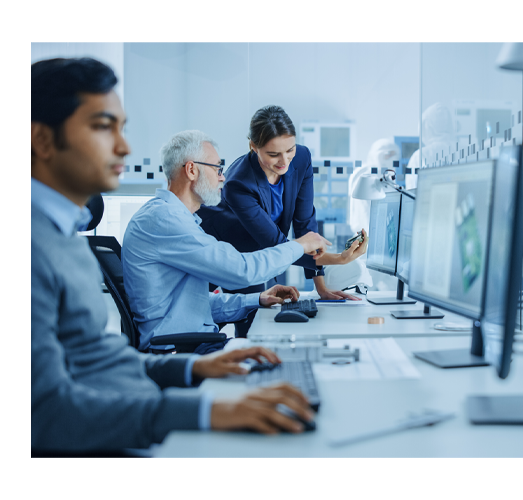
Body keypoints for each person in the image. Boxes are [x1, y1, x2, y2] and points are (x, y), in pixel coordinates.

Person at [31, 57, 316, 454]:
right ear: (42, 140)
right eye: (102, 126)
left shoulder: (63, 235)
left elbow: (99, 360)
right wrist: (201, 410)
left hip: (159, 371)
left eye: (122, 128)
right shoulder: (156, 221)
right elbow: (46, 414)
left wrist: (195, 366)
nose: (124, 146)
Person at [122, 129, 331, 353]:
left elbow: (195, 307)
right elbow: (242, 270)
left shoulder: (180, 219)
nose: (222, 177)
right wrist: (300, 245)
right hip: (179, 352)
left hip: (192, 344)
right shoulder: (163, 219)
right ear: (192, 170)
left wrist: (258, 299)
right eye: (217, 168)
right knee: (287, 357)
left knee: (289, 352)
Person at [198, 106, 368, 337]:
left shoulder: (302, 158)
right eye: (273, 154)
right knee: (249, 325)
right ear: (253, 147)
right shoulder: (238, 184)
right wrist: (338, 259)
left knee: (266, 316)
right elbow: (276, 245)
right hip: (231, 249)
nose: (284, 160)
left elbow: (305, 225)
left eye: (290, 149)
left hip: (263, 248)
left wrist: (322, 287)